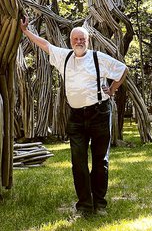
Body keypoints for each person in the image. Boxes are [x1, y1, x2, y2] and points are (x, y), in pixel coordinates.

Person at [20, 16, 128, 217]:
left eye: (82, 39)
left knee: (100, 161)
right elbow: (45, 44)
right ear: (71, 41)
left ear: (88, 41)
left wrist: (112, 88)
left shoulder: (98, 58)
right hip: (76, 117)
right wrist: (26, 31)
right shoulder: (65, 57)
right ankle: (85, 206)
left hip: (100, 113)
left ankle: (100, 204)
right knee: (78, 162)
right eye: (75, 39)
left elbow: (122, 70)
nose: (79, 42)